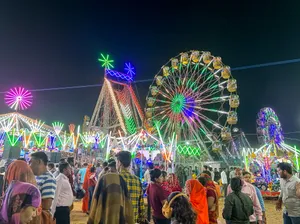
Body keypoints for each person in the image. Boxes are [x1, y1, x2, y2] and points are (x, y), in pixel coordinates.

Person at [116, 151, 145, 223]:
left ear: (119, 163)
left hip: (118, 219)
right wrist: (141, 219)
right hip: (133, 219)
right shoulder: (137, 180)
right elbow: (141, 204)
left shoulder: (115, 179)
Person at [30, 152, 56, 219]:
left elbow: (46, 205)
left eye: (31, 162)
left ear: (38, 162)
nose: (29, 165)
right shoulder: (36, 177)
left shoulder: (49, 179)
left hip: (40, 218)